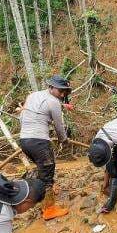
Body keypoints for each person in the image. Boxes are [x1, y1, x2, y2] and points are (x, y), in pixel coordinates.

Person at [18, 75, 72, 220]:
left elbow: (22, 116)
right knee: (47, 172)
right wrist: (63, 140)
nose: (62, 94)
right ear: (51, 87)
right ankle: (49, 210)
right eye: (60, 91)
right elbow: (59, 125)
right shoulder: (53, 101)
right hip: (39, 141)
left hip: (24, 140)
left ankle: (35, 197)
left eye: (64, 92)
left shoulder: (33, 95)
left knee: (42, 169)